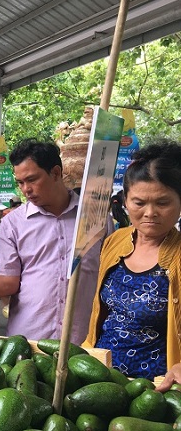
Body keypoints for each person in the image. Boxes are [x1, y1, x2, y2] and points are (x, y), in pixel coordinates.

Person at [0, 139, 103, 343]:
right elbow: (8, 280)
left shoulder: (95, 219)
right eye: (20, 182)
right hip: (28, 340)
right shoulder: (13, 223)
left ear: (56, 173)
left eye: (32, 179)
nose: (25, 190)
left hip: (85, 339)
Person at [82, 141, 181, 387]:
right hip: (101, 375)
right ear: (125, 201)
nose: (150, 212)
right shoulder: (115, 241)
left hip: (156, 388)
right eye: (139, 202)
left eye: (162, 203)